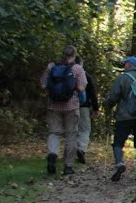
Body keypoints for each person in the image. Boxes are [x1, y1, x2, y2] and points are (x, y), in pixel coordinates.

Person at [104, 56, 136, 182]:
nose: (123, 66)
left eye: (125, 63)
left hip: (124, 116)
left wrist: (107, 108)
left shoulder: (122, 78)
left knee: (118, 142)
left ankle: (120, 163)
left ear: (128, 65)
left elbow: (113, 98)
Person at [40, 45, 87, 176]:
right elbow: (82, 88)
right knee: (71, 135)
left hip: (53, 106)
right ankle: (68, 166)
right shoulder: (77, 68)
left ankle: (52, 155)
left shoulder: (51, 66)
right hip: (71, 107)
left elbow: (43, 84)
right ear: (75, 55)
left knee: (54, 133)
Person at [74, 55, 99, 164]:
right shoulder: (86, 75)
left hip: (67, 106)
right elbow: (92, 93)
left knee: (72, 129)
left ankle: (71, 152)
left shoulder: (67, 73)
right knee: (85, 129)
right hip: (83, 106)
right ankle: (81, 149)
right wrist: (95, 108)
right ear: (81, 63)